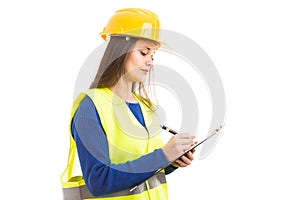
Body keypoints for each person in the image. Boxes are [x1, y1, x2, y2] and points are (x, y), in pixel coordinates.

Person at [61, 8, 196, 200]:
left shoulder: (145, 107)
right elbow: (98, 181)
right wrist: (163, 155)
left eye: (153, 55)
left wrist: (172, 161)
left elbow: (143, 170)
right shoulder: (90, 107)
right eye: (143, 52)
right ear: (120, 51)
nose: (150, 61)